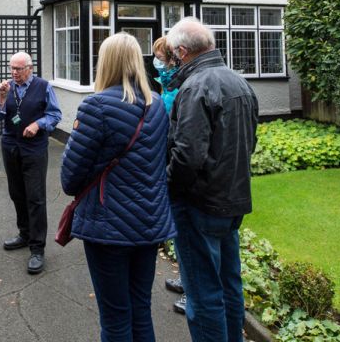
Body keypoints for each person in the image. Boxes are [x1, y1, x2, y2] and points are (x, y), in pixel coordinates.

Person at [61, 33, 176, 342]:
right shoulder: (156, 107)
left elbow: (69, 179)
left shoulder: (95, 107)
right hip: (149, 224)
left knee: (115, 317)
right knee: (141, 309)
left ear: (105, 63)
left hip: (108, 226)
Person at [165, 17, 258, 342]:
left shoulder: (195, 87)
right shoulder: (240, 83)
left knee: (204, 295)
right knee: (230, 286)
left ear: (181, 51)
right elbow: (251, 143)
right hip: (232, 203)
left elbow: (186, 156)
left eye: (172, 54)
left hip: (199, 206)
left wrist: (170, 190)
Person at [0, 51, 62, 274]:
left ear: (29, 68)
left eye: (18, 69)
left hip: (34, 149)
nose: (14, 73)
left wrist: (38, 124)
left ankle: (37, 248)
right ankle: (24, 234)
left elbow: (55, 114)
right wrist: (1, 98)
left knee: (36, 197)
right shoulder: (7, 87)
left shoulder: (43, 86)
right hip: (11, 146)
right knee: (17, 193)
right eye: (11, 68)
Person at [153, 36, 187, 313]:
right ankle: (187, 278)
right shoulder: (169, 82)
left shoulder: (182, 86)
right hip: (167, 153)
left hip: (178, 160)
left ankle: (193, 290)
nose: (156, 62)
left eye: (160, 58)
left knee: (189, 227)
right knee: (179, 225)